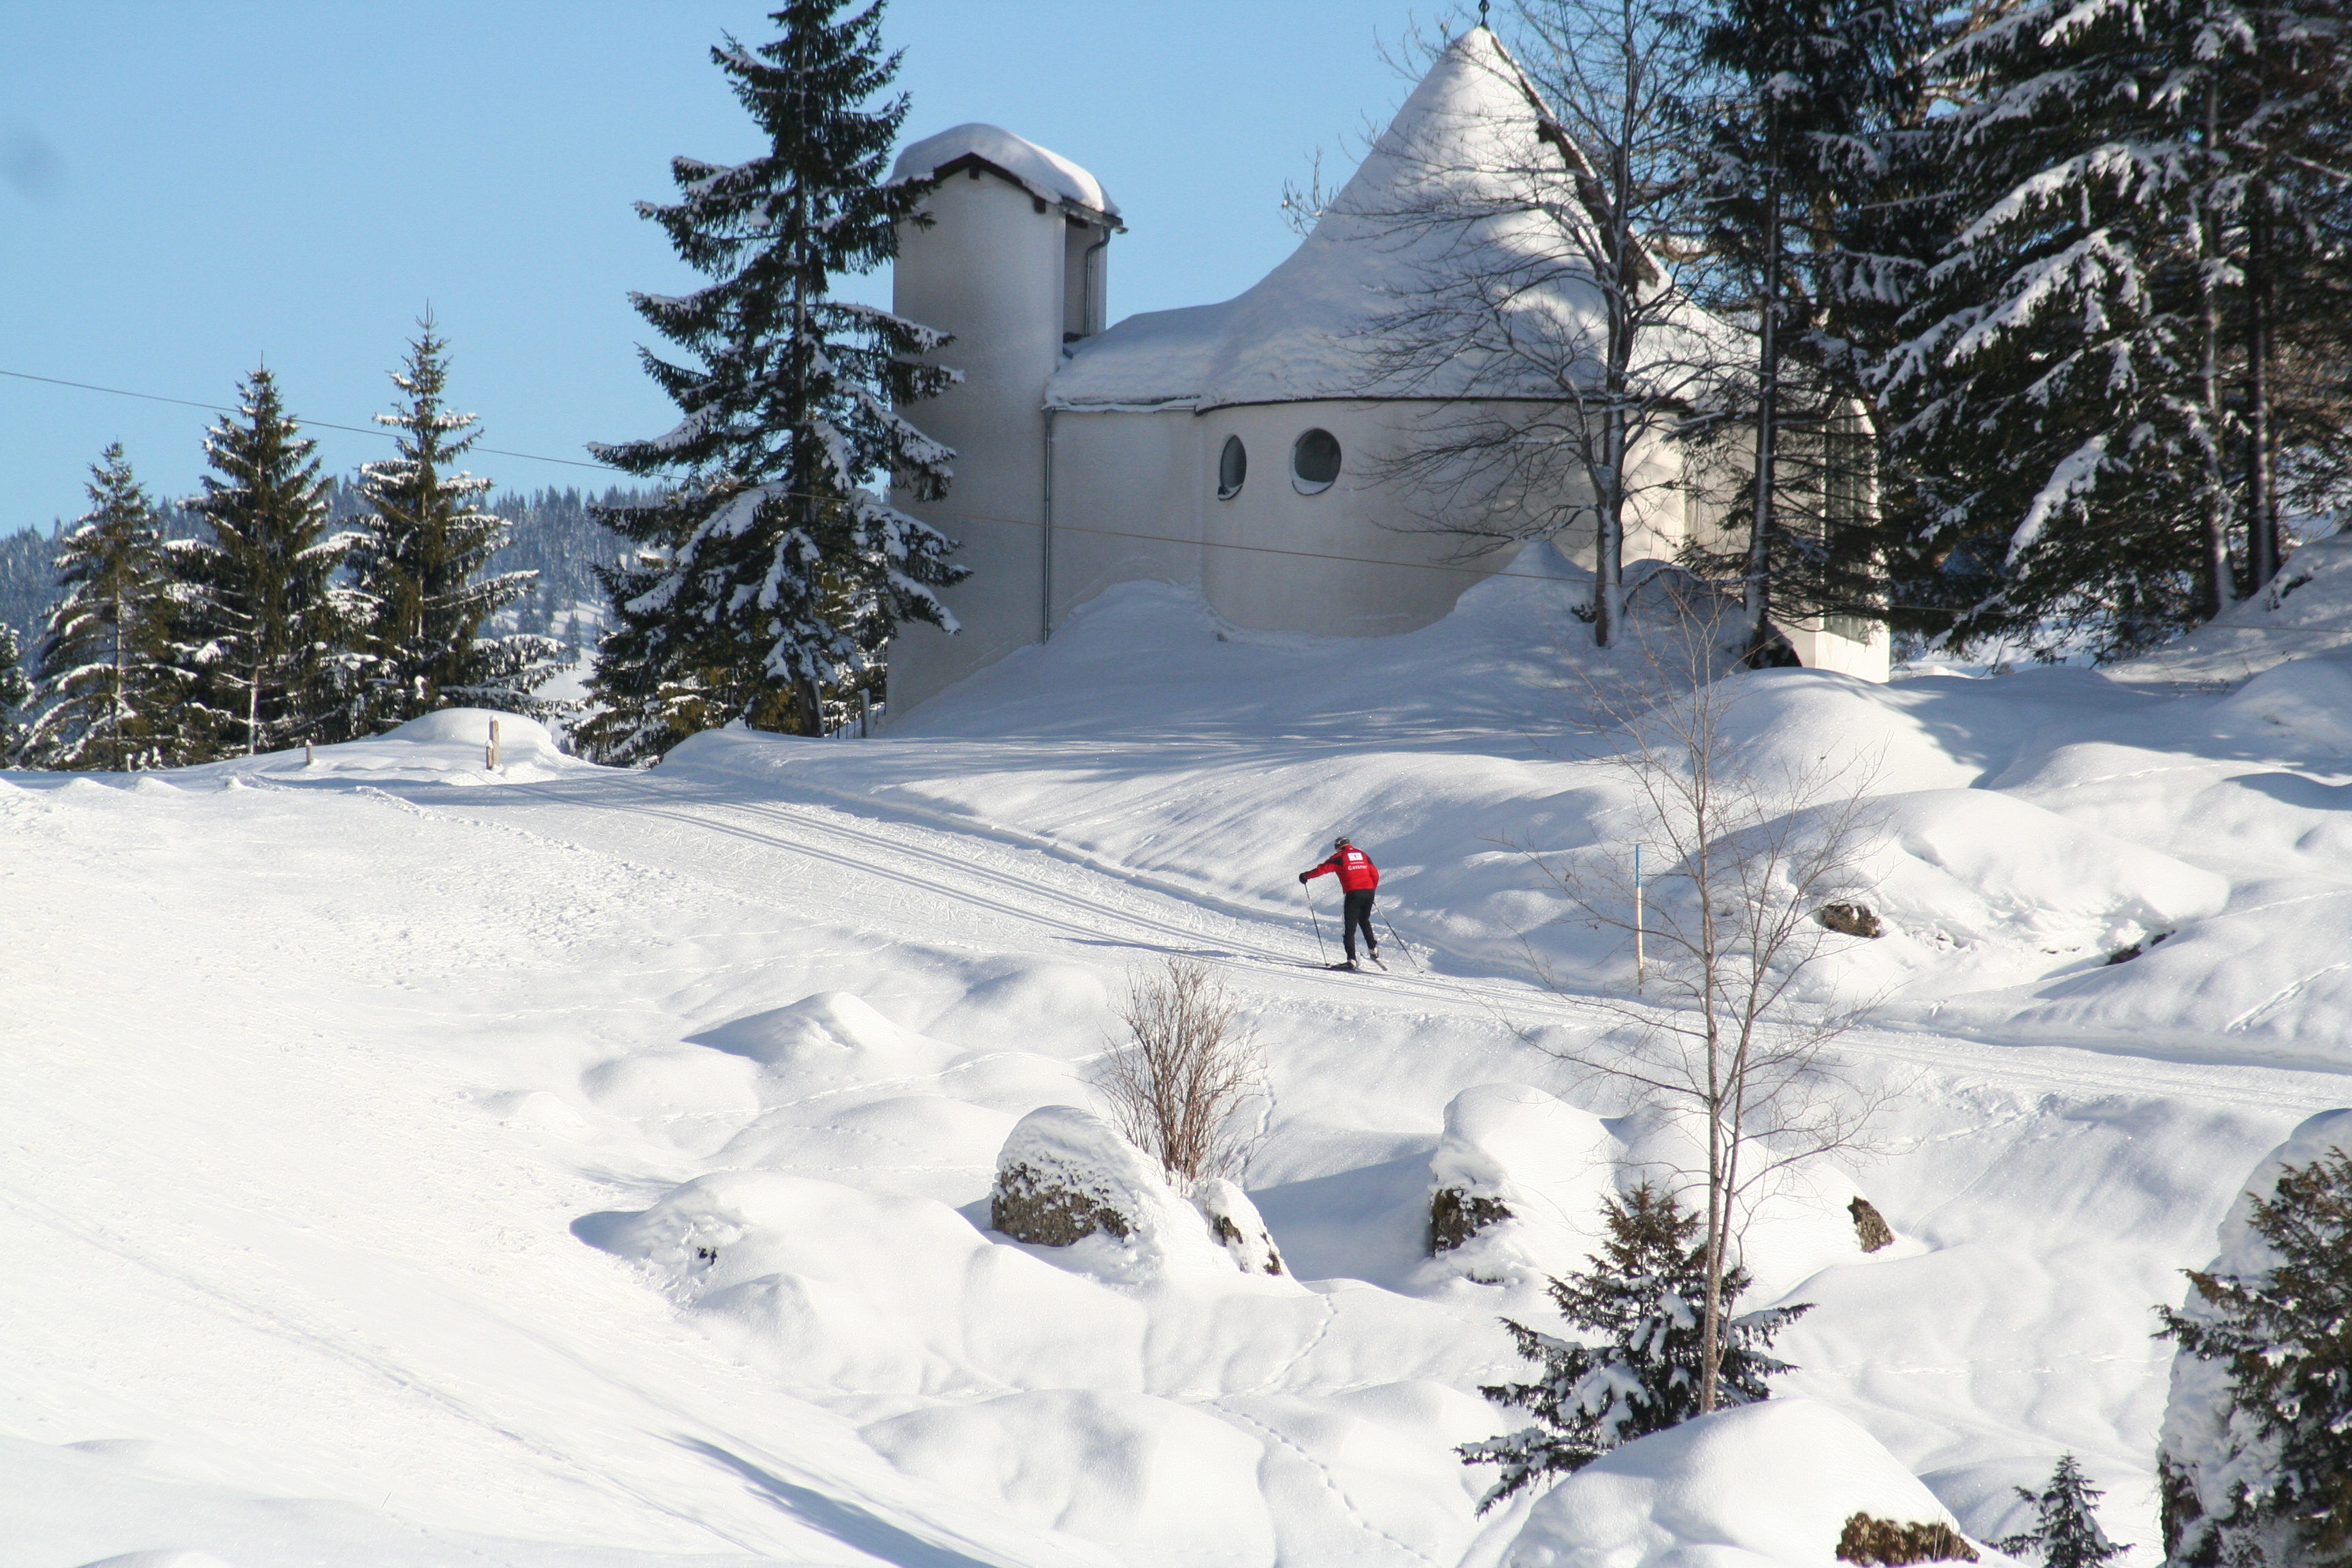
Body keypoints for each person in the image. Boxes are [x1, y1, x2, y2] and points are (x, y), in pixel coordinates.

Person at [1300, 836, 1379, 969]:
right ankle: (1373, 949)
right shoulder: (1362, 855)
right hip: (1369, 891)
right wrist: (1371, 889)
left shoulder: (1340, 857)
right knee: (1364, 920)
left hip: (1353, 893)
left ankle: (1351, 960)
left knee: (1349, 926)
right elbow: (1375, 873)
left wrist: (1305, 876)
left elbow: (1322, 869)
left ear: (1338, 847)